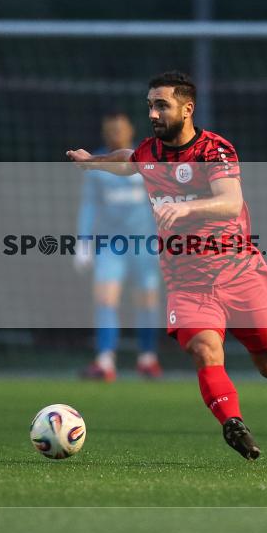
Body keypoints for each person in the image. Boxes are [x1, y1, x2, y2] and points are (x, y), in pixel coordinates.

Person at [67, 71, 267, 460]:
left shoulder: (215, 151)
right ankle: (232, 423)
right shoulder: (150, 152)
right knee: (206, 349)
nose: (153, 113)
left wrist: (185, 206)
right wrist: (93, 162)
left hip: (239, 274)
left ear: (187, 109)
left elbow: (230, 201)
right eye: (150, 105)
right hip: (187, 283)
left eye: (162, 105)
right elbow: (130, 161)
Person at [76, 112, 163, 382]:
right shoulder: (97, 164)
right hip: (111, 244)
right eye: (110, 129)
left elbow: (160, 200)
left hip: (145, 245)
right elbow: (89, 204)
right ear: (105, 133)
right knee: (104, 298)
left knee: (147, 300)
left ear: (130, 130)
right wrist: (83, 240)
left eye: (120, 128)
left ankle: (147, 358)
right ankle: (105, 361)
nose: (116, 133)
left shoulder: (144, 160)